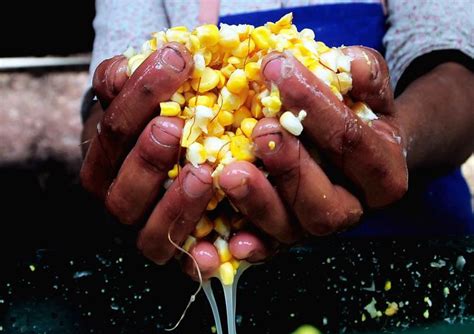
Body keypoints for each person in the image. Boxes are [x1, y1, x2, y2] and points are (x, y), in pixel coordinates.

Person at [80, 0, 473, 279]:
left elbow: (456, 72)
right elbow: (110, 97)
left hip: (413, 254)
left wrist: (397, 139)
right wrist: (117, 146)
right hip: (207, 270)